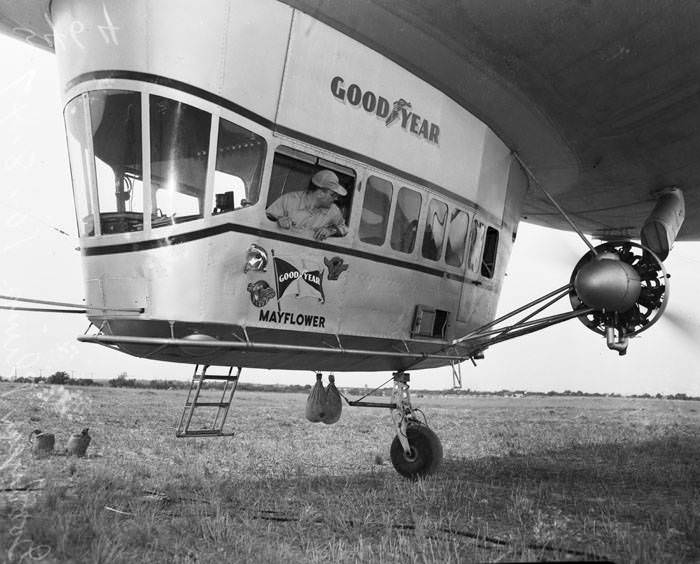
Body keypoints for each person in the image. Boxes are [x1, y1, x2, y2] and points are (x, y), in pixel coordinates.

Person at [266, 169, 349, 241]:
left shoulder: (333, 211)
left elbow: (345, 229)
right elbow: (265, 218)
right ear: (320, 193)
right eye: (333, 195)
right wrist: (278, 220)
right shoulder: (289, 199)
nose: (336, 199)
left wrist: (331, 230)